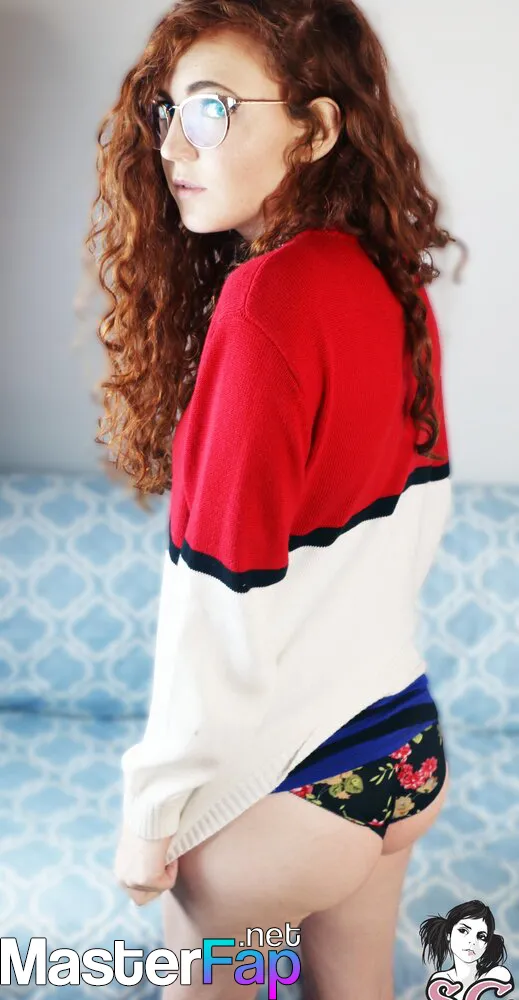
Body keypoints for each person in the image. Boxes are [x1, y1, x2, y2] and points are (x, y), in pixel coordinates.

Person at [86, 1, 462, 996]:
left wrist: (152, 811)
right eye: (168, 111)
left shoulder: (263, 302)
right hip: (401, 749)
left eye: (212, 109)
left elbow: (220, 599)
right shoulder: (392, 277)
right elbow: (410, 532)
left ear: (316, 128)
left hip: (287, 803)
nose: (174, 145)